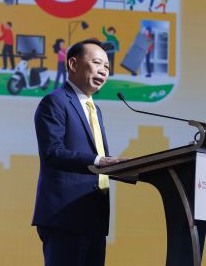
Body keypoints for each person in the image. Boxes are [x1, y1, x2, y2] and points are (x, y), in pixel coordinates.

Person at [32, 39, 123, 266]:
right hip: (66, 215)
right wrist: (99, 161)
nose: (104, 70)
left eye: (107, 67)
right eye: (97, 63)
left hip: (95, 215)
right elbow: (52, 153)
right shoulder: (55, 102)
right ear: (73, 64)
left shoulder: (95, 110)